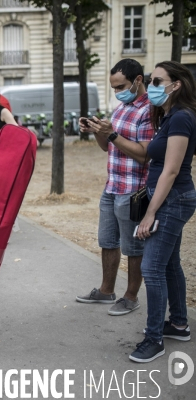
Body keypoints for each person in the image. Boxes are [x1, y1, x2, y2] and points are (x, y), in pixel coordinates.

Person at [129, 61, 196, 363]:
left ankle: (154, 338)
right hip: (168, 198)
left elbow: (170, 170)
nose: (152, 87)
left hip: (172, 200)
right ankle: (179, 324)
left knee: (152, 268)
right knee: (169, 264)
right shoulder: (171, 116)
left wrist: (150, 213)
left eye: (157, 81)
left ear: (176, 84)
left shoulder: (181, 118)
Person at [76, 59, 154, 317]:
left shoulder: (149, 111)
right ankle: (106, 290)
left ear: (138, 80)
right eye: (114, 88)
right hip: (112, 186)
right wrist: (97, 131)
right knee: (108, 241)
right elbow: (107, 147)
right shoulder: (121, 108)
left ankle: (131, 297)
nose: (118, 91)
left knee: (133, 247)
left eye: (121, 86)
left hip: (134, 190)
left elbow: (145, 155)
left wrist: (111, 135)